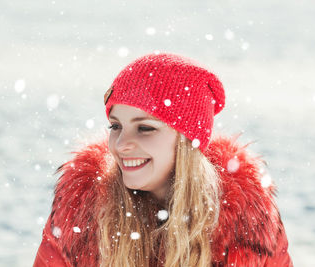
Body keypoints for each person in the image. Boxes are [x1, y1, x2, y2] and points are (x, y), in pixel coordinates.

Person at [33, 53, 293, 266]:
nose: (122, 144)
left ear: (187, 141)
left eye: (145, 128)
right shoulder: (81, 214)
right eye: (115, 126)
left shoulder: (247, 224)